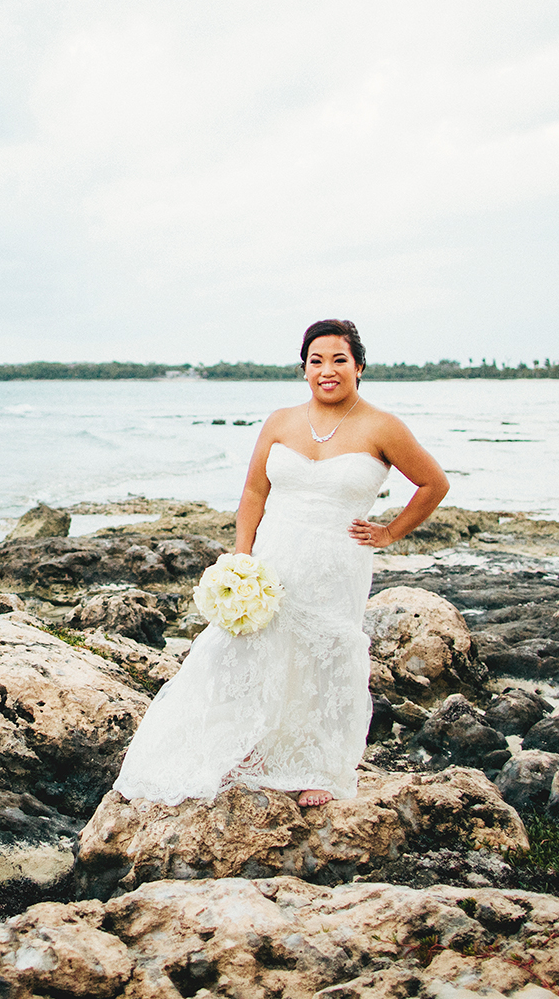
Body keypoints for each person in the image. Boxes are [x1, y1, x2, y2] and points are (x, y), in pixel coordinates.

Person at [112, 318, 448, 807]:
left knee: (324, 657)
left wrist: (390, 532)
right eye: (316, 361)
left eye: (339, 360)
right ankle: (248, 750)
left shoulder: (383, 426)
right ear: (304, 369)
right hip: (274, 556)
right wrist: (241, 556)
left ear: (358, 366)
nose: (327, 370)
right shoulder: (280, 421)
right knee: (250, 651)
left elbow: (434, 483)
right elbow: (254, 491)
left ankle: (319, 767)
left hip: (337, 563)